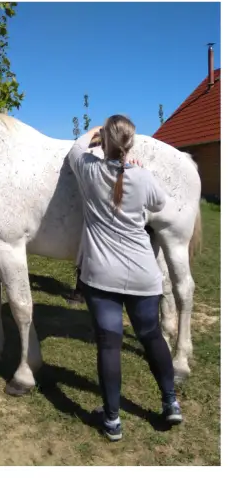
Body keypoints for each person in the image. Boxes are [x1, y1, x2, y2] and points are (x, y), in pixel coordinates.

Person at [68, 115, 183, 441]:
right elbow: (159, 202)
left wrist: (92, 134)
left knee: (109, 345)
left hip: (100, 276)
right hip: (143, 276)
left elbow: (75, 149)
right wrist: (136, 166)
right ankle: (170, 402)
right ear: (130, 144)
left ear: (103, 142)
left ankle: (113, 421)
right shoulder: (143, 177)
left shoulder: (89, 170)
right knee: (151, 336)